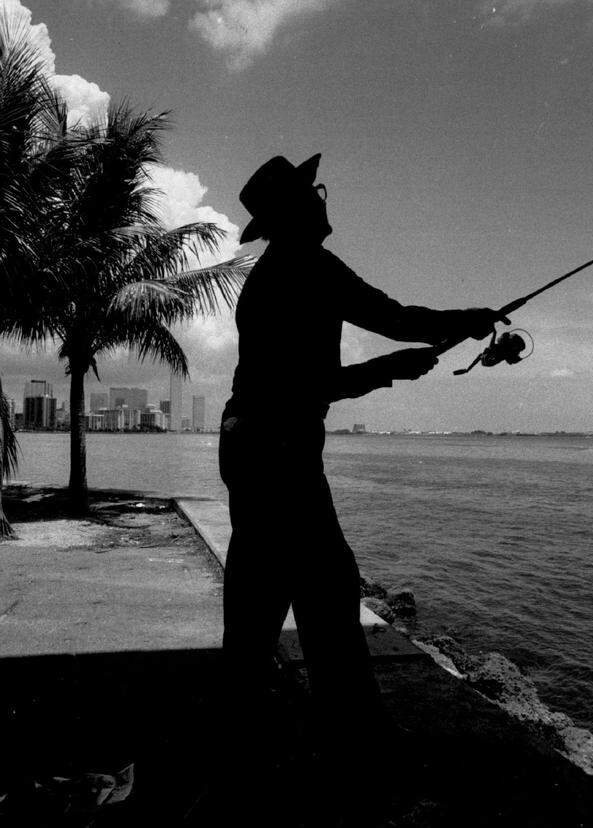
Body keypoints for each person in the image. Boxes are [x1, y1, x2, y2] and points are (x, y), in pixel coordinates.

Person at [217, 153, 507, 821]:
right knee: (324, 592)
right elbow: (358, 345)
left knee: (266, 598)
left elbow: (387, 323)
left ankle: (254, 752)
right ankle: (358, 757)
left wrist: (458, 323)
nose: (324, 198)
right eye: (314, 192)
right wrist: (395, 367)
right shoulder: (306, 267)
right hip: (279, 447)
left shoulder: (282, 271)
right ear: (295, 211)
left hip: (258, 443)